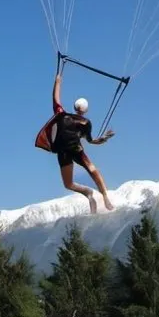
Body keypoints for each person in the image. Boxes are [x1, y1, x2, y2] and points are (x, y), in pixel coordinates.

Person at [47, 67, 115, 214]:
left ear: (74, 107)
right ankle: (103, 196)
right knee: (93, 171)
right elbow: (91, 141)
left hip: (64, 151)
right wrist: (104, 138)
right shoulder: (85, 122)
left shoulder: (61, 115)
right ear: (85, 110)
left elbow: (55, 98)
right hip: (76, 150)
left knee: (69, 184)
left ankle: (89, 193)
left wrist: (57, 81)